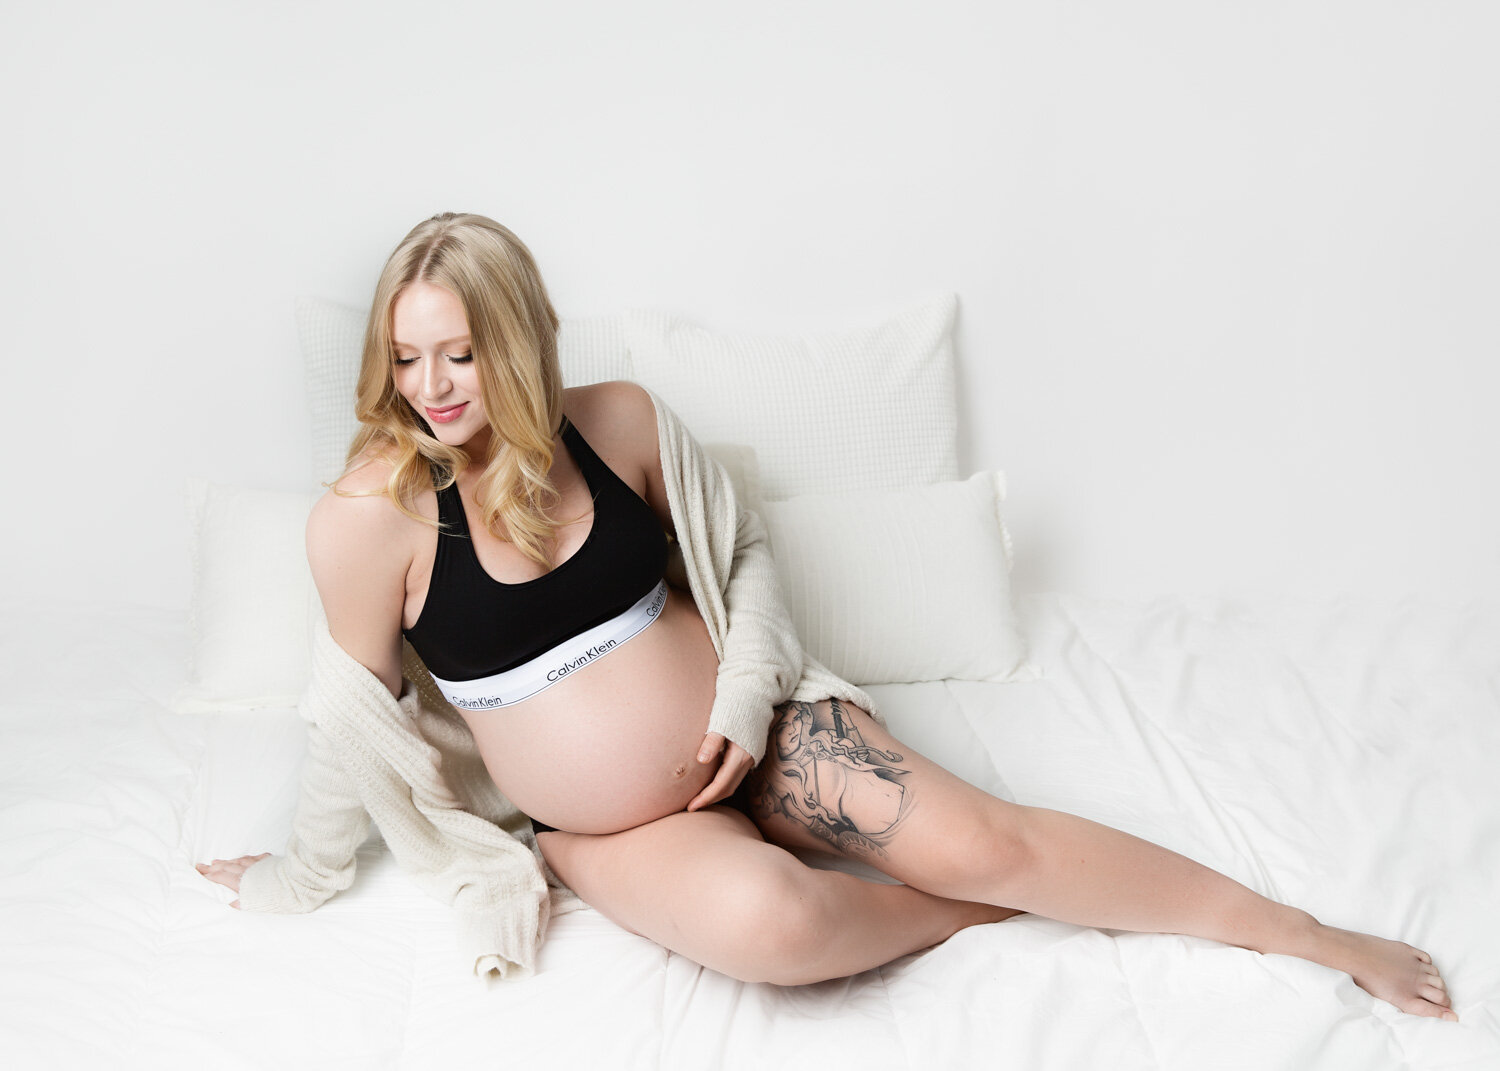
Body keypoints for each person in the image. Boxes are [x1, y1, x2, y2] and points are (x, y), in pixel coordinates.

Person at [199, 212, 1455, 1019]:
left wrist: (746, 703)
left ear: (519, 342)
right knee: (776, 926)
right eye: (408, 357)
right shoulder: (372, 517)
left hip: (767, 731)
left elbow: (741, 553)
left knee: (985, 833)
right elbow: (352, 727)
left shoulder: (619, 420)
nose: (431, 389)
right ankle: (978, 919)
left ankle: (1306, 934)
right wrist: (297, 878)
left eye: (460, 354)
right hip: (614, 827)